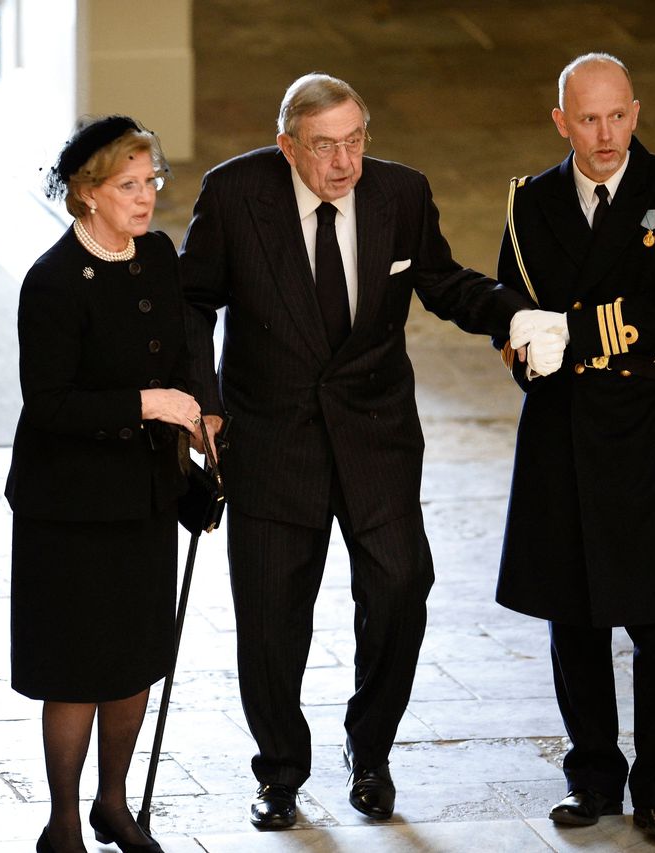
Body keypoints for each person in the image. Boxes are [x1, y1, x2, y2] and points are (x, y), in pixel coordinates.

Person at [180, 72, 534, 829]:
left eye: (355, 141)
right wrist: (201, 399)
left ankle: (368, 751)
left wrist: (513, 313)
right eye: (324, 147)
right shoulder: (234, 194)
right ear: (287, 146)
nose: (344, 163)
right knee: (273, 618)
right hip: (273, 437)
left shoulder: (399, 194)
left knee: (402, 587)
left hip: (376, 434)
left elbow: (439, 280)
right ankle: (279, 771)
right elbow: (191, 302)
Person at [496, 53, 655, 838]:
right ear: (562, 122)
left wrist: (571, 330)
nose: (606, 134)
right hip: (563, 426)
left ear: (635, 111)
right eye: (587, 119)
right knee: (574, 615)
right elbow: (512, 309)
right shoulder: (531, 202)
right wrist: (528, 342)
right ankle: (592, 778)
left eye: (618, 115)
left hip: (648, 424)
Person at [5, 115, 205, 853]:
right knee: (78, 668)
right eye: (129, 184)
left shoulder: (156, 256)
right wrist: (149, 405)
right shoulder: (53, 281)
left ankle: (113, 806)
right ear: (87, 194)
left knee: (134, 661)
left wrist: (192, 448)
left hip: (144, 494)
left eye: (151, 181)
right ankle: (62, 822)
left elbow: (181, 354)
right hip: (70, 506)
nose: (146, 196)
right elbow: (49, 403)